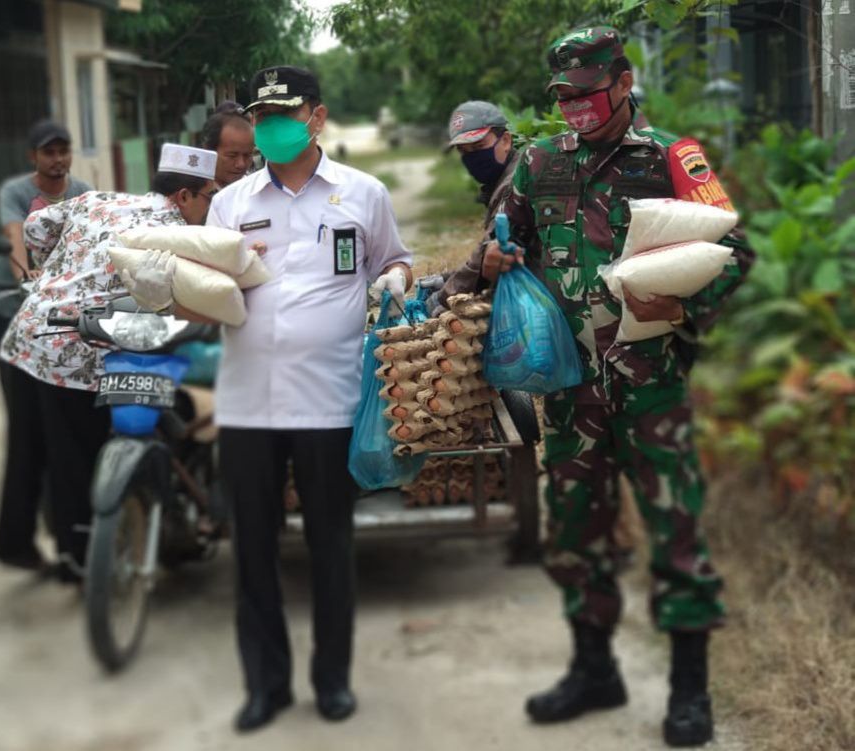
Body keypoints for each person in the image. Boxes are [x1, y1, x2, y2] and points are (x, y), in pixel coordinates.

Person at [480, 27, 754, 747]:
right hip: (569, 387)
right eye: (563, 95)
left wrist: (684, 307)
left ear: (624, 83)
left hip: (651, 383)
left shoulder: (670, 156)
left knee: (675, 528)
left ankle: (690, 689)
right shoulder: (539, 162)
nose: (574, 106)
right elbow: (499, 239)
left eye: (586, 91)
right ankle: (594, 669)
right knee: (575, 532)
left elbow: (734, 251)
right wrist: (492, 260)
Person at [205, 65, 412, 732]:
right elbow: (208, 285)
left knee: (330, 546)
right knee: (253, 551)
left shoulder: (363, 194)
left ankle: (332, 680)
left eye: (284, 115)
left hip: (328, 399)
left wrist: (396, 278)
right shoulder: (230, 203)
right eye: (261, 118)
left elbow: (394, 259)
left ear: (316, 118)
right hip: (247, 403)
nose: (270, 128)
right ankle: (265, 685)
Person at [0, 143, 219, 583]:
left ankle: (71, 554)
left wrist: (63, 266)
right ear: (184, 197)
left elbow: (36, 227)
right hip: (79, 351)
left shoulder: (99, 199)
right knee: (83, 456)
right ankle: (85, 561)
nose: (213, 206)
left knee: (49, 451)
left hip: (30, 332)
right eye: (210, 196)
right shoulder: (177, 236)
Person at [0, 119, 91, 573]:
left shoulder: (82, 192)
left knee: (64, 427)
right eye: (49, 152)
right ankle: (23, 541)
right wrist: (27, 278)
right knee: (29, 426)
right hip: (12, 314)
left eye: (63, 150)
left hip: (59, 317)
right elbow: (17, 240)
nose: (58, 159)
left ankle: (71, 539)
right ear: (33, 157)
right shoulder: (15, 192)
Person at [425, 101, 520, 315]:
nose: (473, 158)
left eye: (478, 147)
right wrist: (446, 278)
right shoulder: (499, 181)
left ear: (505, 141)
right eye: (463, 151)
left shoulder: (514, 183)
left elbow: (489, 253)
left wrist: (444, 295)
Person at [201, 105, 256, 189]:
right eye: (232, 156)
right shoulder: (192, 193)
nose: (241, 164)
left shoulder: (257, 190)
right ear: (208, 150)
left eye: (247, 156)